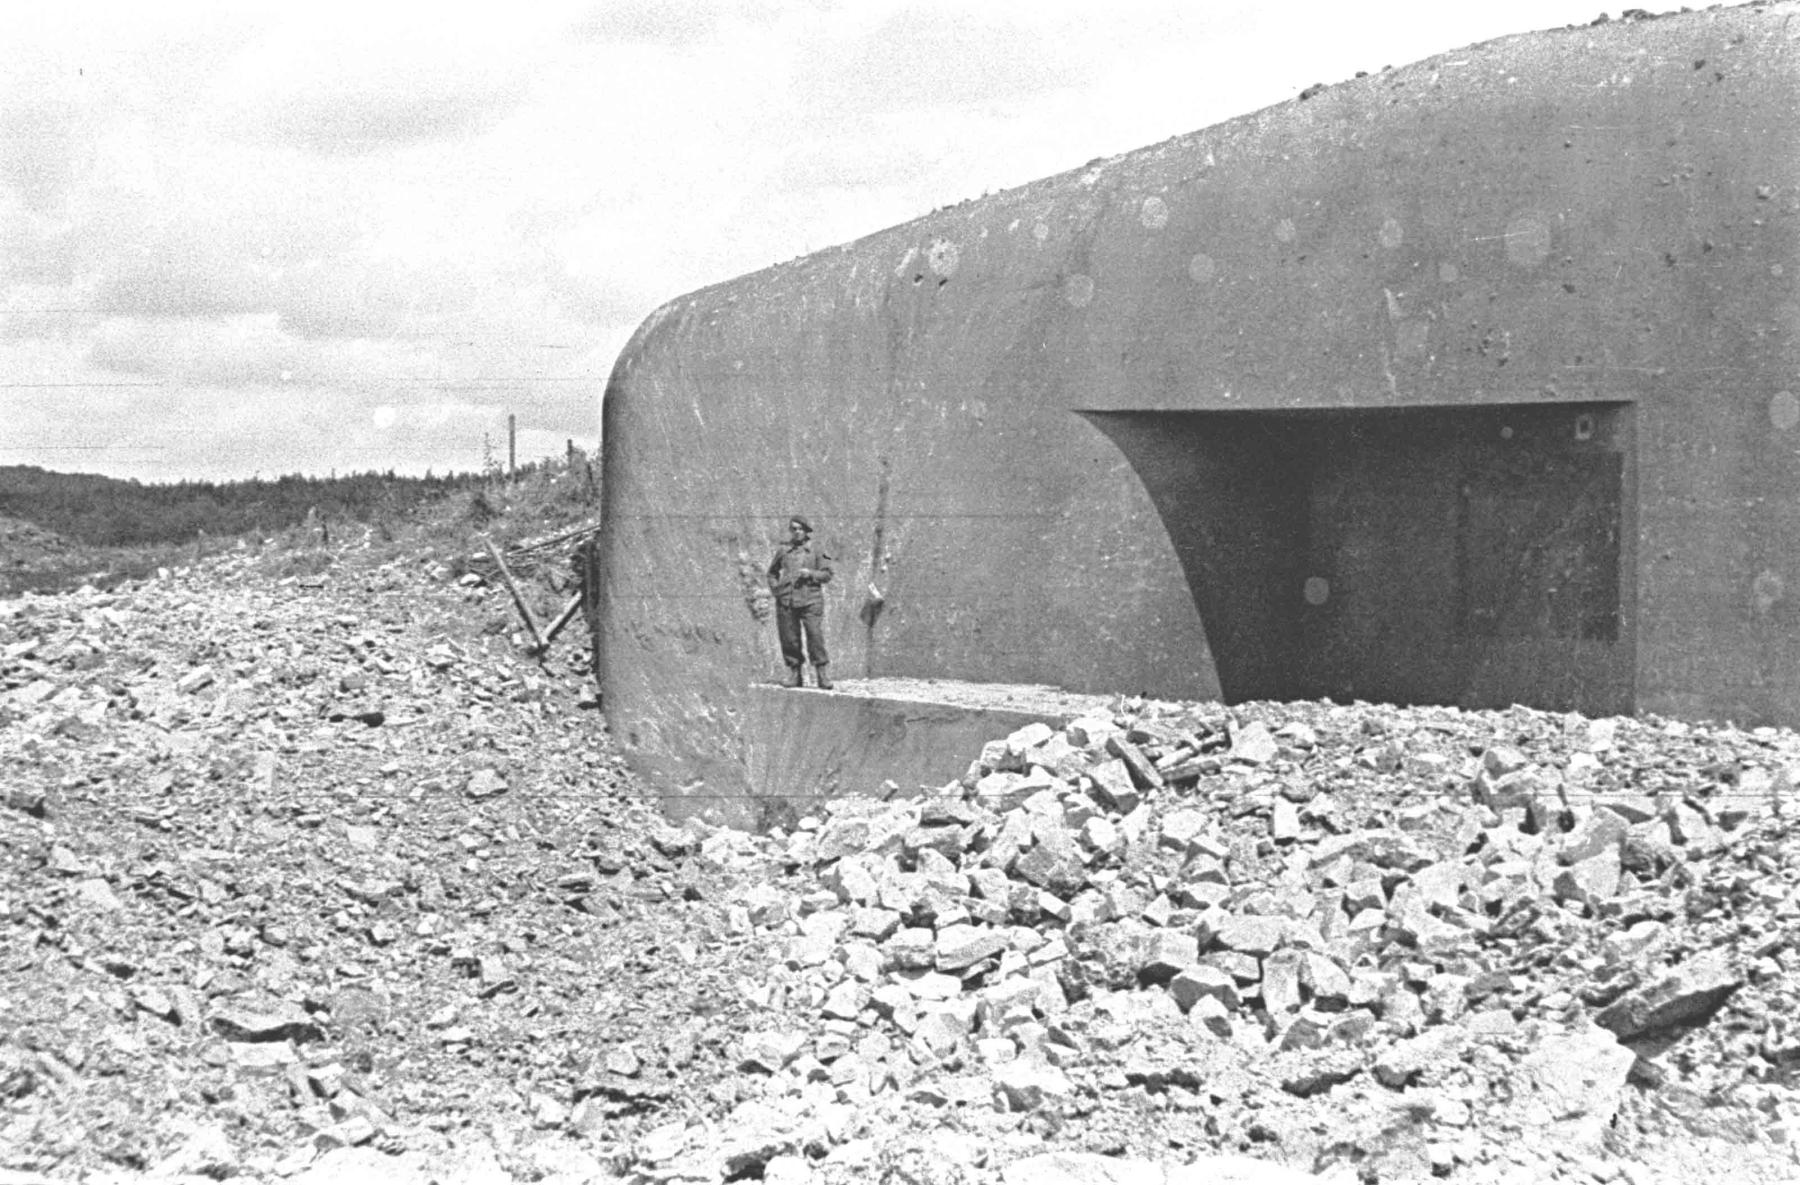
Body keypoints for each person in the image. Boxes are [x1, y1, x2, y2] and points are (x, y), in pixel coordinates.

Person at [767, 515, 834, 689]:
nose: (796, 532)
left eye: (800, 529)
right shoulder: (784, 551)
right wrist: (777, 590)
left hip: (810, 600)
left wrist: (811, 574)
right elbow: (772, 573)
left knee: (815, 636)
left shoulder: (816, 550)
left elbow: (827, 574)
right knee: (789, 638)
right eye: (793, 529)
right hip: (787, 600)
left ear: (806, 531)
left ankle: (822, 674)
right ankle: (794, 674)